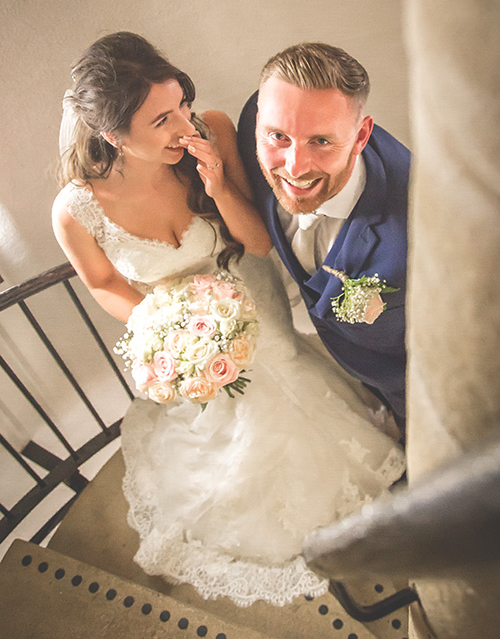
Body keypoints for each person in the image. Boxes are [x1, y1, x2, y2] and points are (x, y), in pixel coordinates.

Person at [52, 32, 405, 608]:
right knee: (235, 430)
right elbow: (104, 284)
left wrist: (216, 184)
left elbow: (259, 241)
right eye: (162, 119)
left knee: (300, 383)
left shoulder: (210, 133)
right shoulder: (76, 209)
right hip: (192, 330)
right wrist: (167, 325)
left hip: (255, 295)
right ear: (113, 136)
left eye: (182, 104)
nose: (184, 125)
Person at [237, 44, 411, 430]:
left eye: (321, 141)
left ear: (361, 134)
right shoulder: (258, 116)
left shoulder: (417, 237)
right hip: (340, 373)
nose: (295, 168)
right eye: (278, 136)